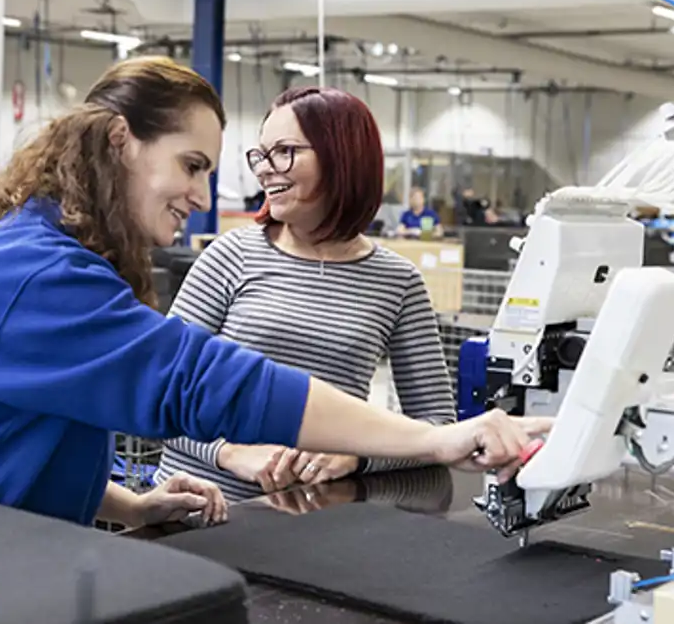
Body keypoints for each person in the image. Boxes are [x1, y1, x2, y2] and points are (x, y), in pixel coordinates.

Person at [0, 56, 550, 530]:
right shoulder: (37, 274)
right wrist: (435, 442)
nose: (201, 197)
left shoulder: (47, 254)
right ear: (120, 142)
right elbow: (205, 381)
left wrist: (128, 505)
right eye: (190, 165)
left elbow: (22, 435)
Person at [155, 87, 456, 502]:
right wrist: (230, 453)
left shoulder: (397, 281)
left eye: (284, 151)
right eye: (260, 155)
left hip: (312, 523)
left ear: (341, 156)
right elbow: (159, 390)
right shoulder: (231, 256)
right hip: (199, 513)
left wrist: (357, 456)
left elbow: (436, 425)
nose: (264, 170)